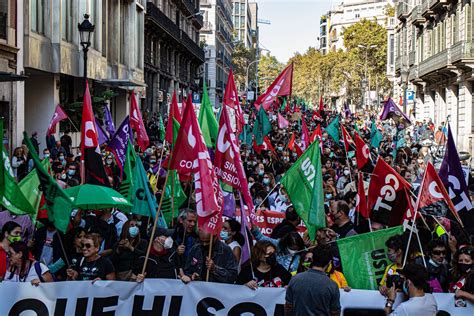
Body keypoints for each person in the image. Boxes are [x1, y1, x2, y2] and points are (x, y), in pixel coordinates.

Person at [285, 244, 341, 316]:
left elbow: (288, 307)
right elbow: (335, 312)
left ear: (312, 259)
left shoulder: (295, 279)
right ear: (329, 263)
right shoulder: (332, 285)